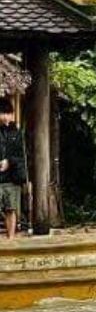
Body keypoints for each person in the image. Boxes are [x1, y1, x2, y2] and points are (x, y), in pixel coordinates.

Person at [0, 97, 28, 240]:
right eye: (2, 113)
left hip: (12, 178)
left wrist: (9, 162)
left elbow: (22, 156)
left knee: (11, 208)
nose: (5, 117)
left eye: (7, 113)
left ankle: (11, 238)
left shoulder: (17, 134)